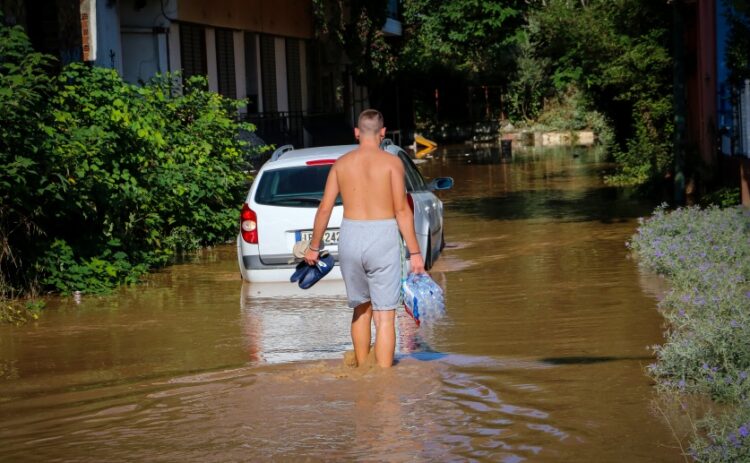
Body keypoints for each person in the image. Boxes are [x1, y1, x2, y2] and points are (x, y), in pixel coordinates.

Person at [304, 109, 425, 368]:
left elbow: (324, 208)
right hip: (383, 236)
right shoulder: (392, 163)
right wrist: (415, 253)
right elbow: (401, 210)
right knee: (384, 317)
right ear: (383, 133)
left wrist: (314, 247)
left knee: (360, 309)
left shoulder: (341, 164)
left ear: (357, 133)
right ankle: (383, 380)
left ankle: (361, 373)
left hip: (350, 236)